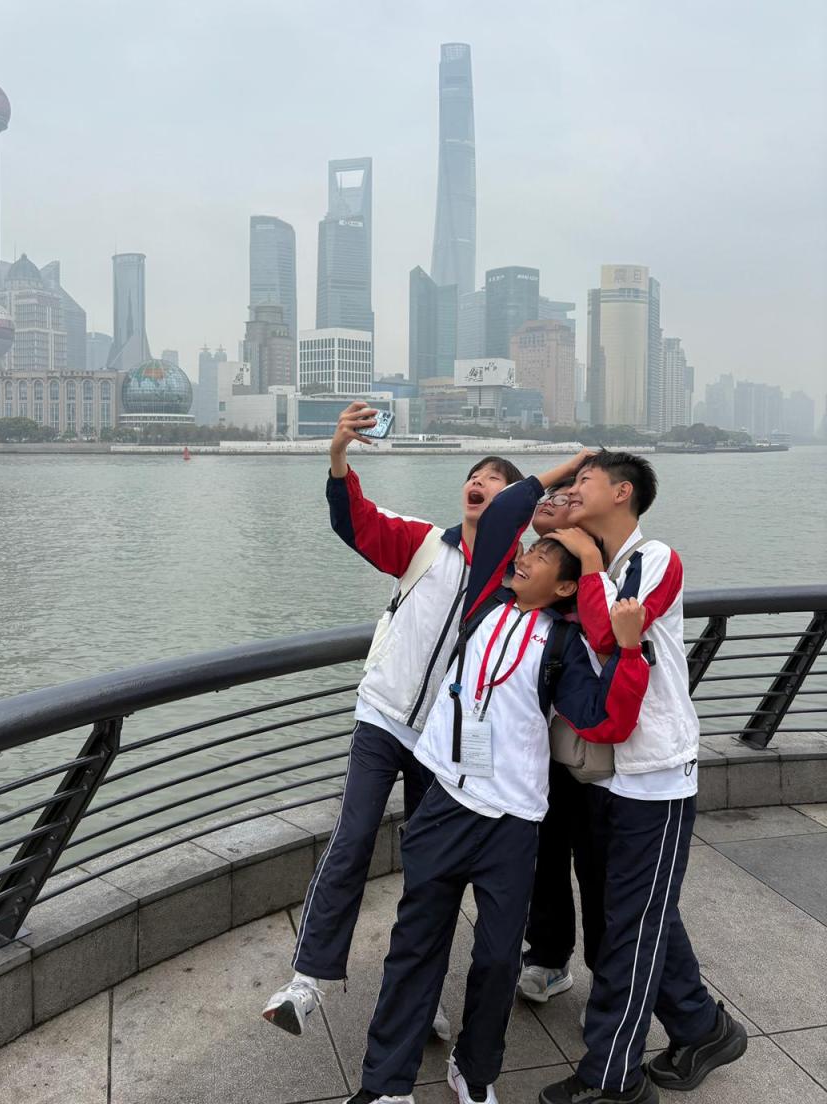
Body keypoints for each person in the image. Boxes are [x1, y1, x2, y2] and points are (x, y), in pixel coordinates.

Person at [262, 401, 587, 1038]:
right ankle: (305, 983)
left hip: (443, 746)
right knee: (353, 835)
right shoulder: (423, 543)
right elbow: (356, 521)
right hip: (383, 717)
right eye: (475, 475)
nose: (479, 482)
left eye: (495, 479)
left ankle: (421, 993)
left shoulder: (516, 582)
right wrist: (338, 454)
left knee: (429, 875)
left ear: (512, 503)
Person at [341, 474, 652, 1104]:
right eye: (529, 550)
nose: (527, 557)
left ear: (565, 587)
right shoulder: (485, 600)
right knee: (415, 944)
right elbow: (510, 509)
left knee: (498, 958)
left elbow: (607, 722)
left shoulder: (563, 644)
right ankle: (386, 1083)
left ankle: (475, 1070)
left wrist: (627, 651)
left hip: (511, 821)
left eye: (543, 558)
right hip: (444, 804)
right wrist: (565, 473)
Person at [538, 451, 748, 1104]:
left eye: (585, 481)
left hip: (654, 775)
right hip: (602, 773)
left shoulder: (655, 559)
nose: (574, 489)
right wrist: (568, 537)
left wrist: (589, 562)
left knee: (631, 927)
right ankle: (702, 1028)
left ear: (622, 492)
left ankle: (613, 1078)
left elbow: (607, 636)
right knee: (639, 911)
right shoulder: (585, 560)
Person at [519, 480, 606, 1008]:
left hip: (591, 749)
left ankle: (609, 981)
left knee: (598, 866)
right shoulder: (536, 566)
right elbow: (523, 521)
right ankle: (549, 958)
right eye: (553, 496)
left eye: (572, 495)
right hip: (539, 746)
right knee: (544, 856)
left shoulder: (607, 562)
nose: (555, 503)